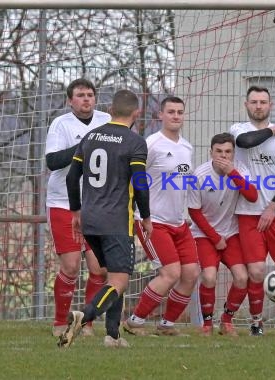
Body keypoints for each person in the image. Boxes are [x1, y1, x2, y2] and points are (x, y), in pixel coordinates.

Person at [59, 89, 152, 348]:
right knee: (120, 280)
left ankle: (113, 335)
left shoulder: (91, 136)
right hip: (117, 221)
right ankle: (83, 316)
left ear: (110, 110)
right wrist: (146, 217)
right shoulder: (135, 142)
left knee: (113, 274)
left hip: (90, 219)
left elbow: (70, 177)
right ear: (137, 113)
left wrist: (76, 212)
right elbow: (141, 185)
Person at [123, 96, 200, 337]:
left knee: (191, 273)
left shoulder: (187, 147)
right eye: (171, 112)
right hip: (153, 221)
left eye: (180, 112)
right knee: (171, 273)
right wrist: (139, 213)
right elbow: (135, 179)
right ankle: (134, 321)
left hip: (179, 222)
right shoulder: (152, 144)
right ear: (161, 115)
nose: (176, 116)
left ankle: (166, 325)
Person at [230, 85, 275, 336]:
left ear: (270, 105)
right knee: (256, 271)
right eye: (254, 102)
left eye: (263, 102)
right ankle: (256, 322)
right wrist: (273, 129)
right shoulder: (238, 130)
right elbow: (246, 142)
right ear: (246, 105)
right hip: (248, 213)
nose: (258, 106)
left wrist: (272, 207)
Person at [45, 78, 110, 337]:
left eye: (90, 95)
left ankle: (86, 323)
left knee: (100, 268)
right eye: (81, 95)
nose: (86, 99)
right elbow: (52, 161)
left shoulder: (106, 121)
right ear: (70, 100)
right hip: (63, 202)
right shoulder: (60, 124)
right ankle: (60, 321)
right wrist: (84, 146)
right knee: (71, 266)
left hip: (97, 204)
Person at [187, 133, 258, 336]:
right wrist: (214, 237)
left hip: (231, 232)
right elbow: (194, 211)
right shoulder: (199, 175)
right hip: (204, 234)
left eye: (228, 152)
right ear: (211, 152)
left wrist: (233, 173)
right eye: (219, 151)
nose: (223, 156)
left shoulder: (239, 170)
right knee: (209, 277)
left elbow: (252, 196)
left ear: (233, 153)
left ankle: (226, 321)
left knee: (242, 277)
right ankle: (207, 324)